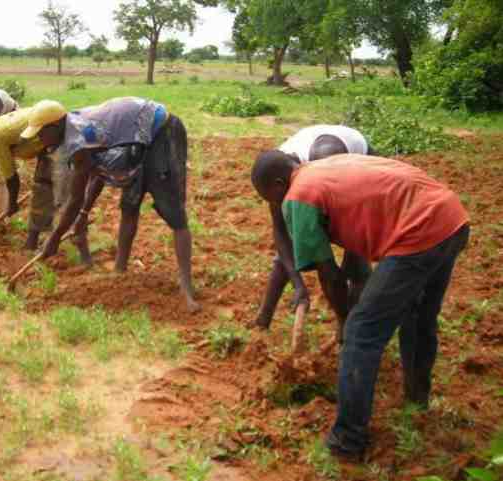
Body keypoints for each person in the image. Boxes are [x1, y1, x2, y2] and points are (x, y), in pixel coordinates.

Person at [251, 153, 469, 459]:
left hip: (418, 232)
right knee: (419, 317)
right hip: (451, 217)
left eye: (270, 199)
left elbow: (330, 277)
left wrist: (344, 320)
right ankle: (417, 402)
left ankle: (348, 439)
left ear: (277, 184)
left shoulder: (299, 195)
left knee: (361, 331)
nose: (275, 206)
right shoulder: (324, 169)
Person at [23, 97, 200, 312]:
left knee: (173, 210)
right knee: (129, 203)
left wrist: (55, 237)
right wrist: (84, 214)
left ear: (55, 125)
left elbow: (75, 197)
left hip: (161, 130)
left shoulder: (80, 137)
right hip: (135, 139)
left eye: (41, 133)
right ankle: (120, 270)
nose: (41, 140)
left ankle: (186, 285)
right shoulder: (74, 131)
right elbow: (96, 175)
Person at [253, 125, 374, 337]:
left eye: (277, 200)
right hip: (324, 181)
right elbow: (281, 233)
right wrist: (298, 285)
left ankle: (349, 328)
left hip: (361, 184)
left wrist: (352, 251)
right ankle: (263, 319)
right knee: (301, 253)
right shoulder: (276, 170)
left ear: (281, 185)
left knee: (357, 267)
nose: (279, 204)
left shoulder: (326, 159)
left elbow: (357, 209)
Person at [0, 101, 78, 252]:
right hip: (46, 146)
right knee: (42, 188)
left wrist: (12, 203)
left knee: (60, 192)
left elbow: (12, 179)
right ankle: (34, 241)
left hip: (57, 140)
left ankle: (74, 236)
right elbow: (5, 155)